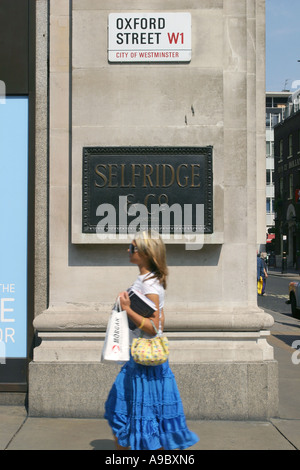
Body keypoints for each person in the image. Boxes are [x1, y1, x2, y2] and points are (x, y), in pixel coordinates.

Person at [104, 231, 199, 451]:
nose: (128, 250)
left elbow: (154, 326)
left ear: (146, 254)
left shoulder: (150, 285)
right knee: (133, 413)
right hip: (140, 358)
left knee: (130, 413)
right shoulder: (149, 280)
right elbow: (161, 318)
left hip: (143, 361)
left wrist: (128, 309)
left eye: (132, 247)